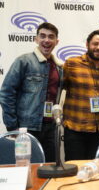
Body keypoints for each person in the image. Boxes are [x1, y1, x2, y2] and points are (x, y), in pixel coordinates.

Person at [0, 22, 62, 162]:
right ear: (36, 39)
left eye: (51, 37)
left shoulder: (59, 67)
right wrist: (12, 127)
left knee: (50, 168)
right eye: (42, 36)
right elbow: (6, 93)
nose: (46, 40)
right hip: (26, 129)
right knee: (26, 169)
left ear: (56, 42)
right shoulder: (24, 61)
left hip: (50, 128)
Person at [63, 29, 99, 160]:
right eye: (95, 44)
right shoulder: (71, 64)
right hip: (75, 130)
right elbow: (58, 89)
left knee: (96, 171)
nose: (98, 47)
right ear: (87, 44)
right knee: (75, 172)